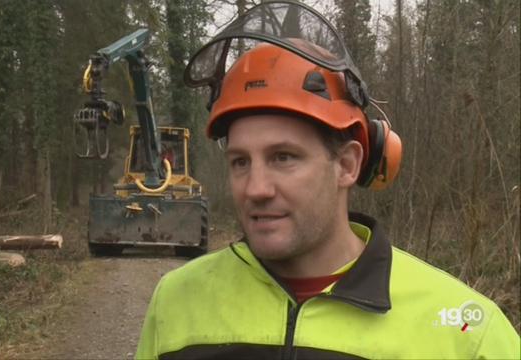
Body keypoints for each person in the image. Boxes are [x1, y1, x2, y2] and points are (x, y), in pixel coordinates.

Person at [136, 2, 520, 359]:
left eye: (283, 158)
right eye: (240, 162)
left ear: (348, 164)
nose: (256, 189)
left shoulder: (466, 331)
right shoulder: (176, 302)